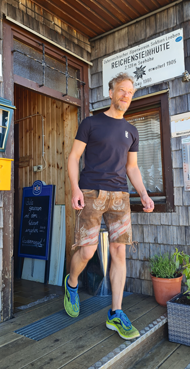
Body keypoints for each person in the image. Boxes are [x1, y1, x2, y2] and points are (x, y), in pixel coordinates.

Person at [64, 72, 154, 340]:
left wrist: (144, 194)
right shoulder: (91, 123)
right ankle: (71, 284)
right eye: (122, 90)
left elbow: (132, 167)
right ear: (111, 92)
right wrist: (75, 189)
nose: (126, 95)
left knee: (119, 252)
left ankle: (115, 313)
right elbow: (73, 158)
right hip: (91, 193)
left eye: (131, 92)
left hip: (120, 197)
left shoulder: (132, 131)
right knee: (88, 250)